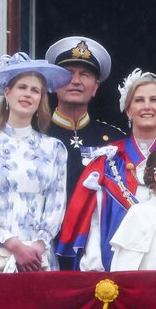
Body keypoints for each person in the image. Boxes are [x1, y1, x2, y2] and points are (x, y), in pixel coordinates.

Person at [58, 69, 156, 271]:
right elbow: (94, 223)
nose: (147, 106)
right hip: (116, 269)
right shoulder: (107, 161)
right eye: (139, 100)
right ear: (128, 110)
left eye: (154, 100)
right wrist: (94, 269)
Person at [0, 54, 71, 273]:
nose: (27, 94)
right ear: (7, 92)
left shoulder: (54, 150)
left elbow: (56, 204)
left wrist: (37, 246)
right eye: (22, 87)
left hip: (38, 259)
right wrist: (14, 245)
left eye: (35, 90)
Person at [43, 36, 124, 196]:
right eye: (68, 73)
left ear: (95, 87)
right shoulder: (37, 133)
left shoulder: (115, 141)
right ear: (54, 83)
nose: (76, 81)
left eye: (85, 74)